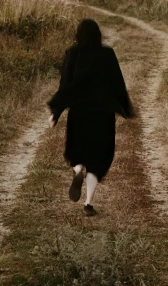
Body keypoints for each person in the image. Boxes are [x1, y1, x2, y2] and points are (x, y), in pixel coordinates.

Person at [47, 18, 133, 216]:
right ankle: (88, 204)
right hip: (103, 115)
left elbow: (65, 86)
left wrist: (56, 112)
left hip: (78, 113)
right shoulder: (107, 54)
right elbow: (117, 84)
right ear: (98, 35)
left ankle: (77, 170)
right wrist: (126, 109)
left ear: (78, 35)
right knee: (98, 158)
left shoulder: (72, 54)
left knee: (79, 151)